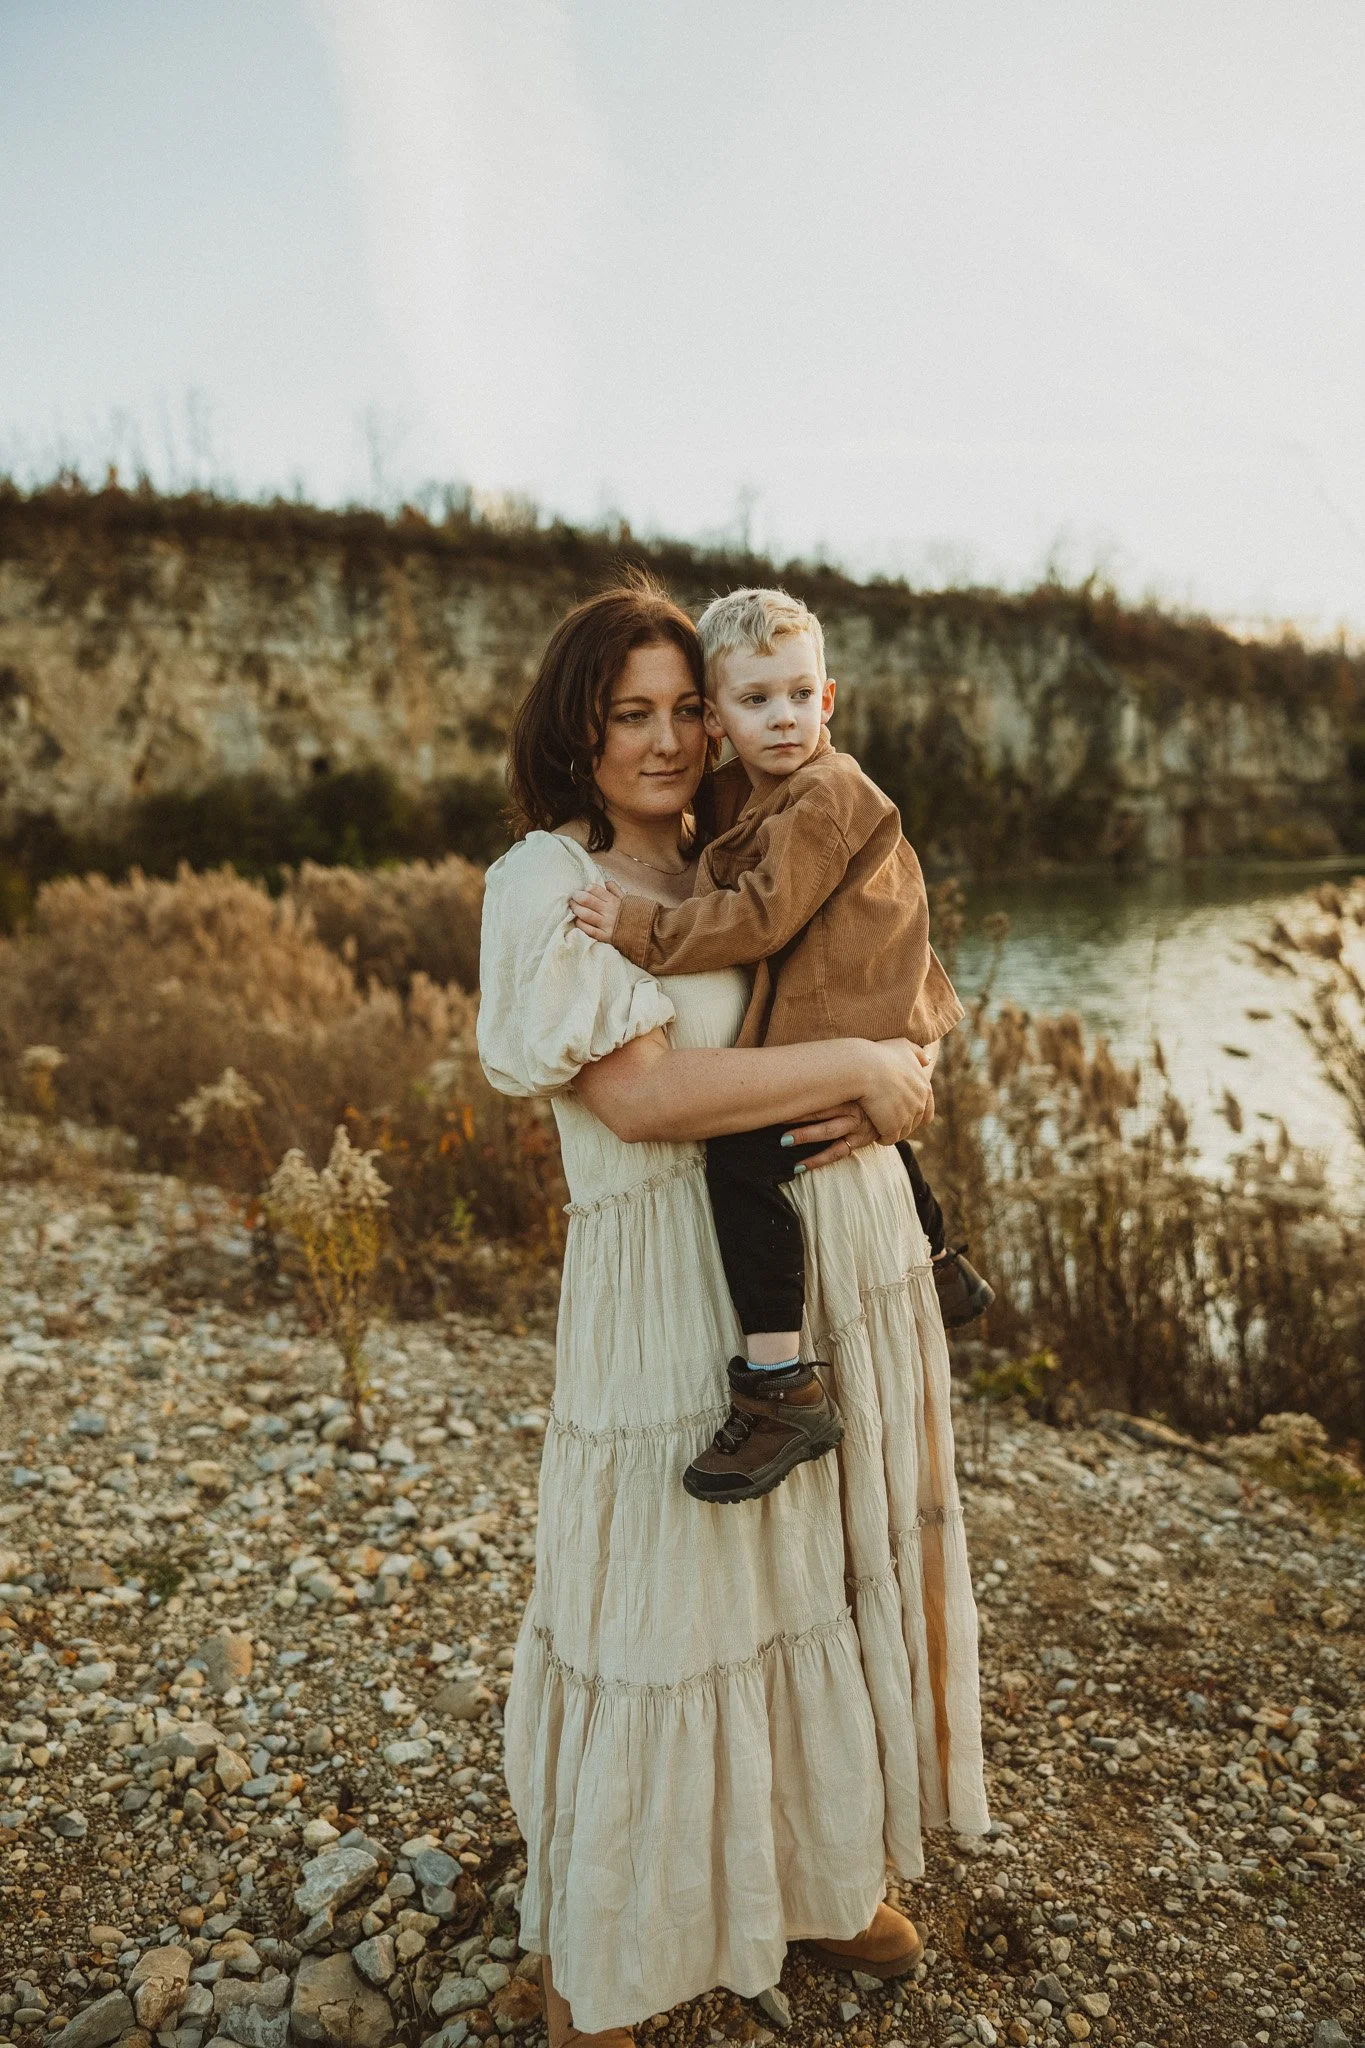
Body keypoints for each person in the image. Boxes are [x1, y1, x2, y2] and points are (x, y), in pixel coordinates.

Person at [477, 574, 988, 2046]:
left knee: (805, 1578)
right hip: (663, 1290)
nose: (665, 738)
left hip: (835, 1261)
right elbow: (638, 1100)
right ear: (574, 734)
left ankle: (819, 1872)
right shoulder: (544, 883)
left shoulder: (755, 841)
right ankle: (610, 1950)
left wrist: (902, 1075)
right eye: (625, 714)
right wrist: (854, 1075)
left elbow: (894, 985)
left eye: (683, 708)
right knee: (669, 1597)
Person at [569, 585, 993, 1506]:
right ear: (717, 722)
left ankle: (778, 1381)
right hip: (852, 1003)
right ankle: (940, 1264)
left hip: (849, 1001)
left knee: (744, 1163)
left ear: (828, 699)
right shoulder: (748, 785)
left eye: (800, 696)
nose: (784, 717)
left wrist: (640, 932)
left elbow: (758, 918)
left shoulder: (824, 794)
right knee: (840, 1127)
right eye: (755, 701)